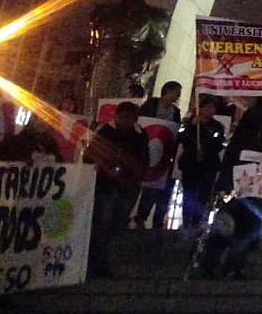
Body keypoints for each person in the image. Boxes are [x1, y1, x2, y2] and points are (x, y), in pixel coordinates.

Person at [201, 100, 262, 279]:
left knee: (247, 229)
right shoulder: (243, 139)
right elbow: (230, 161)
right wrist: (224, 187)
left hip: (255, 191)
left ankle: (234, 266)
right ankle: (210, 263)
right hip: (238, 191)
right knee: (228, 226)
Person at [84, 101, 149, 278]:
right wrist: (106, 168)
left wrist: (138, 176)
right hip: (107, 185)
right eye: (124, 117)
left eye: (131, 118)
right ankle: (95, 262)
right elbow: (90, 155)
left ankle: (107, 262)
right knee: (102, 225)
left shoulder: (140, 134)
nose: (127, 122)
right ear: (117, 116)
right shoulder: (106, 132)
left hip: (127, 187)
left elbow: (144, 158)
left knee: (117, 226)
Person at [134, 80, 183, 229]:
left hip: (165, 150)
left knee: (158, 185)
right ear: (167, 91)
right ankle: (140, 216)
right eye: (176, 92)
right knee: (148, 184)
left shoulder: (175, 112)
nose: (178, 96)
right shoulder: (150, 105)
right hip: (148, 149)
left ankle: (155, 219)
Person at [176, 95, 225, 232]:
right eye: (208, 107)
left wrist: (205, 143)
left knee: (204, 195)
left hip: (208, 165)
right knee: (188, 194)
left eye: (213, 107)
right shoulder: (189, 123)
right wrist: (192, 126)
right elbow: (181, 138)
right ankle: (186, 221)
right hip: (190, 164)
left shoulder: (216, 126)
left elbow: (218, 143)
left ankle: (198, 222)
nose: (211, 110)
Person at [0, 115, 64, 162]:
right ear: (32, 120)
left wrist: (53, 160)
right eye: (39, 119)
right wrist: (26, 159)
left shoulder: (51, 143)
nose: (42, 123)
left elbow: (63, 165)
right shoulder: (15, 141)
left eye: (46, 121)